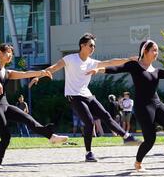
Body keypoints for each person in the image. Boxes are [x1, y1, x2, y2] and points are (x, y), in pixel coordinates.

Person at [88, 40, 164, 171]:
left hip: (157, 104)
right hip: (143, 107)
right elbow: (117, 68)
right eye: (154, 50)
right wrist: (99, 69)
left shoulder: (156, 71)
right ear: (145, 51)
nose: (156, 53)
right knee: (150, 139)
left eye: (157, 50)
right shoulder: (135, 65)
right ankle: (138, 162)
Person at [30, 33, 140, 162]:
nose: (93, 48)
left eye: (94, 46)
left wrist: (129, 59)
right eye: (91, 45)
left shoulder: (92, 62)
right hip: (74, 96)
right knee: (89, 122)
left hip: (87, 94)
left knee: (105, 115)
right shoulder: (70, 59)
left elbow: (111, 62)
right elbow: (53, 68)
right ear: (82, 45)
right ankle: (89, 153)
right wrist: (39, 75)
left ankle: (126, 137)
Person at [0, 43, 68, 169]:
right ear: (0, 53)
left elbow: (25, 73)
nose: (10, 56)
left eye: (11, 54)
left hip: (5, 105)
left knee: (27, 118)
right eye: (8, 53)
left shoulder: (8, 72)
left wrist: (42, 72)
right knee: (6, 136)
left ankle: (51, 136)